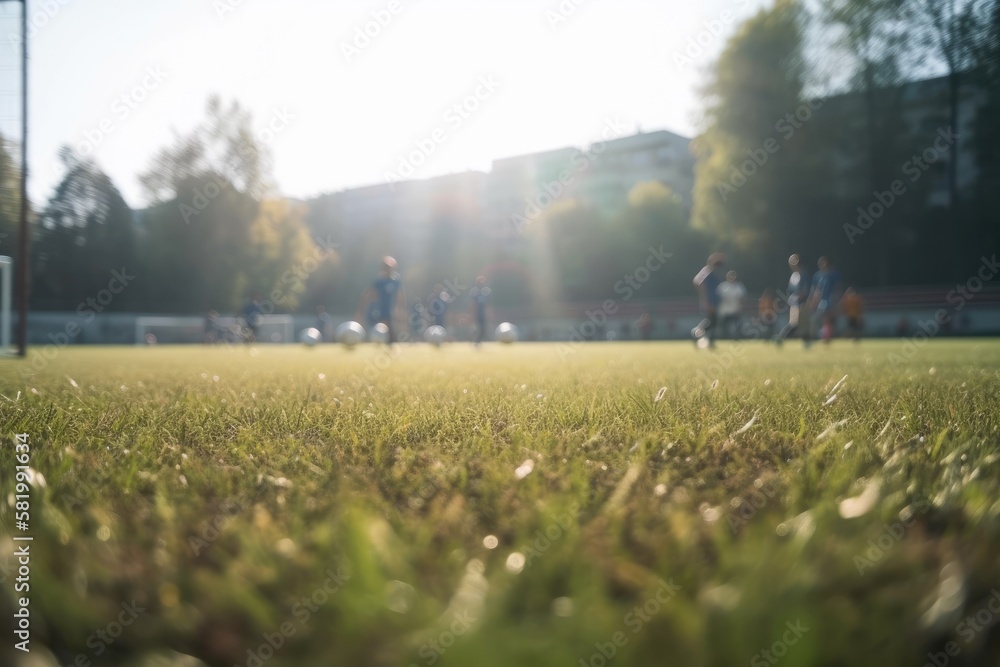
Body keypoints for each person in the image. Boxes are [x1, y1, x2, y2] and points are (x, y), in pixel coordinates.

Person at [358, 256, 405, 344]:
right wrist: (361, 310)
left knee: (390, 336)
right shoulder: (379, 281)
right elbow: (367, 295)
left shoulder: (396, 282)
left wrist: (400, 311)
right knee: (378, 334)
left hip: (390, 313)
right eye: (386, 267)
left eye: (391, 268)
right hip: (377, 312)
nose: (389, 270)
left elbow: (400, 297)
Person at [775, 254, 810, 347]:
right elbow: (790, 291)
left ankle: (781, 338)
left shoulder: (803, 273)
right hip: (794, 304)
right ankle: (781, 338)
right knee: (794, 323)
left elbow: (805, 290)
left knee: (801, 325)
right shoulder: (793, 275)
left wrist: (799, 298)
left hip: (802, 304)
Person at [692, 252, 725, 348]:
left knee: (713, 321)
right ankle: (697, 332)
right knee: (710, 320)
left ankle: (706, 338)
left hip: (715, 300)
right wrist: (705, 299)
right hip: (709, 301)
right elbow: (697, 281)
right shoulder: (708, 270)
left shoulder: (717, 271)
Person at [808, 257, 840, 342]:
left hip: (828, 300)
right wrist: (813, 301)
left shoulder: (832, 274)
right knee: (816, 319)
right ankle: (822, 335)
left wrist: (835, 301)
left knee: (827, 319)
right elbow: (815, 290)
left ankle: (826, 337)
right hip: (820, 301)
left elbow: (835, 289)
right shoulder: (817, 276)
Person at [717, 270, 747, 340]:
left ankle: (737, 338)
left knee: (737, 326)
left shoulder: (738, 286)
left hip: (735, 310)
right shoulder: (722, 287)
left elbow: (741, 298)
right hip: (724, 311)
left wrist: (740, 308)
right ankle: (724, 339)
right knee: (724, 327)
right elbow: (718, 298)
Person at [469, 275, 491, 345]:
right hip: (476, 313)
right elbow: (473, 303)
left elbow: (486, 304)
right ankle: (473, 340)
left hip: (482, 314)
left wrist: (487, 312)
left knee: (483, 329)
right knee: (475, 328)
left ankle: (477, 341)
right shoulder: (475, 291)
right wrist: (472, 314)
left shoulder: (484, 291)